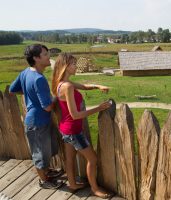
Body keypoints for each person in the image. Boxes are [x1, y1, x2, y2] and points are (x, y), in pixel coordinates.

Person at [51, 53, 112, 198]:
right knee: (92, 159)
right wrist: (99, 107)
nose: (76, 66)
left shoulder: (61, 83)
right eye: (73, 63)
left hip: (65, 129)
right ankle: (95, 189)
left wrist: (98, 86)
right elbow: (76, 115)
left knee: (70, 158)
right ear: (65, 66)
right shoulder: (68, 87)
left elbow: (84, 86)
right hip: (73, 131)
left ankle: (72, 184)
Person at [9, 44, 64, 189]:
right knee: (40, 153)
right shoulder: (39, 79)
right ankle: (43, 181)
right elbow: (47, 107)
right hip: (37, 122)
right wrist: (56, 98)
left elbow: (13, 90)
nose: (48, 57)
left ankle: (46, 172)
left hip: (38, 121)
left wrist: (30, 95)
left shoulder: (26, 72)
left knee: (46, 151)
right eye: (45, 54)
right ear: (36, 58)